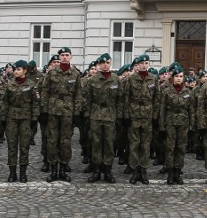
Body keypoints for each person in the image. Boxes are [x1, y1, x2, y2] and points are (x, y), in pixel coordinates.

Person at [77, 53, 121, 183]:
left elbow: (120, 99)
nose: (105, 65)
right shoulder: (93, 80)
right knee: (96, 143)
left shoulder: (116, 79)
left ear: (110, 63)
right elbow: (88, 99)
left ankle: (107, 171)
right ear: (99, 65)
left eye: (107, 63)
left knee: (108, 143)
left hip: (110, 114)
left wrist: (119, 117)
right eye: (102, 63)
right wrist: (87, 116)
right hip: (95, 115)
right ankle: (96, 171)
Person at [39, 47, 81, 182]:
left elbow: (79, 94)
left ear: (71, 57)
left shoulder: (75, 74)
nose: (64, 57)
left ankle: (63, 169)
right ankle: (53, 170)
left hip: (68, 112)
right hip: (53, 111)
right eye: (62, 55)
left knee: (65, 141)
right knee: (52, 141)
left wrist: (77, 113)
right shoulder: (52, 73)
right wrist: (44, 110)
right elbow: (45, 92)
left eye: (66, 55)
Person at [121, 54, 159, 184]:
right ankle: (134, 169)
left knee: (145, 144)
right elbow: (126, 98)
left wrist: (155, 117)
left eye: (146, 63)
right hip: (134, 115)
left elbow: (157, 99)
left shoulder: (154, 79)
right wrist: (126, 115)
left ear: (149, 64)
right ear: (138, 64)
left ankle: (143, 170)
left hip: (148, 116)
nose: (144, 65)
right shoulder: (131, 79)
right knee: (134, 144)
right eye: (142, 63)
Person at [0, 60, 39, 182]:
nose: (16, 71)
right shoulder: (9, 84)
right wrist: (3, 117)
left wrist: (34, 118)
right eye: (15, 69)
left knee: (24, 146)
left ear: (25, 71)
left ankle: (23, 173)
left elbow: (36, 103)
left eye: (18, 69)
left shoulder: (31, 85)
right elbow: (4, 101)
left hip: (25, 119)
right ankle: (12, 173)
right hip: (12, 118)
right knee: (12, 145)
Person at [160, 67, 194, 184]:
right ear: (172, 78)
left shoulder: (188, 92)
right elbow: (162, 109)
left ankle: (178, 173)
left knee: (181, 148)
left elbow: (191, 110)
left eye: (181, 76)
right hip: (170, 122)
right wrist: (162, 126)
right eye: (176, 76)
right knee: (170, 148)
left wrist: (191, 126)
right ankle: (170, 173)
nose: (179, 79)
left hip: (183, 123)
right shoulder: (166, 92)